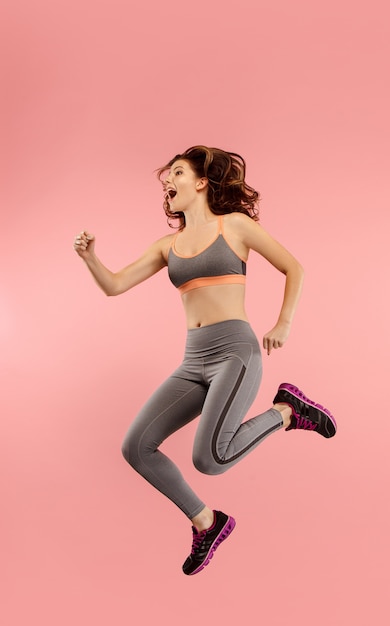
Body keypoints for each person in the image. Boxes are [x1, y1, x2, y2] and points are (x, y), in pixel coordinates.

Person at [73, 145, 336, 576]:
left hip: (235, 351)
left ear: (200, 182)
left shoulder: (234, 226)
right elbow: (115, 285)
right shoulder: (168, 245)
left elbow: (295, 268)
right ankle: (206, 522)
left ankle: (287, 412)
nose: (168, 181)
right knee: (136, 447)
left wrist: (283, 322)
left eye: (177, 172)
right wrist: (89, 258)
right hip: (193, 359)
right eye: (167, 176)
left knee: (210, 460)